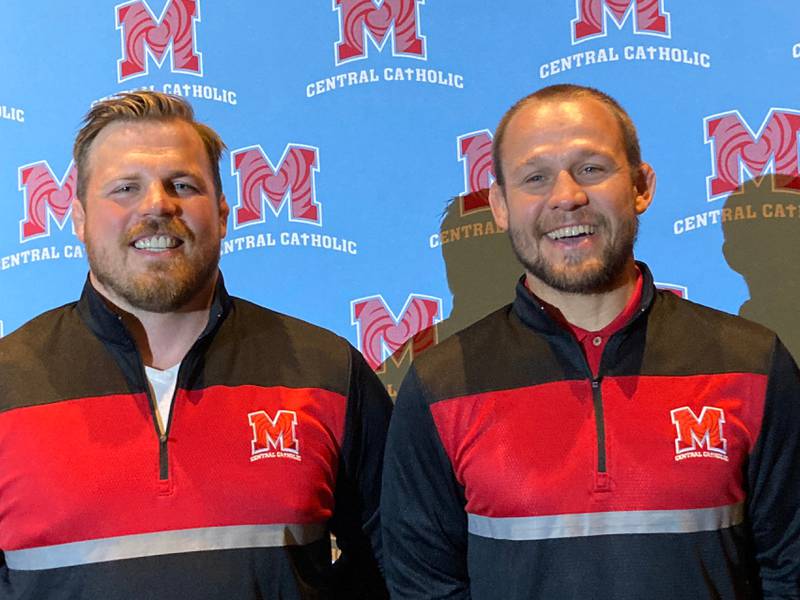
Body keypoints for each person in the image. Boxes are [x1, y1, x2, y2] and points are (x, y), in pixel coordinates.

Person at [381, 84, 800, 599]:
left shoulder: (752, 363)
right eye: (535, 178)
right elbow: (425, 588)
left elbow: (791, 570)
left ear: (642, 187)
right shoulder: (440, 384)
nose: (566, 196)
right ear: (500, 206)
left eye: (592, 169)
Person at [0, 91, 392, 599]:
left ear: (224, 212)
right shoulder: (7, 384)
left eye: (182, 185)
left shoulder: (328, 371)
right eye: (124, 188)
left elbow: (401, 564)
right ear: (76, 218)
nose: (158, 205)